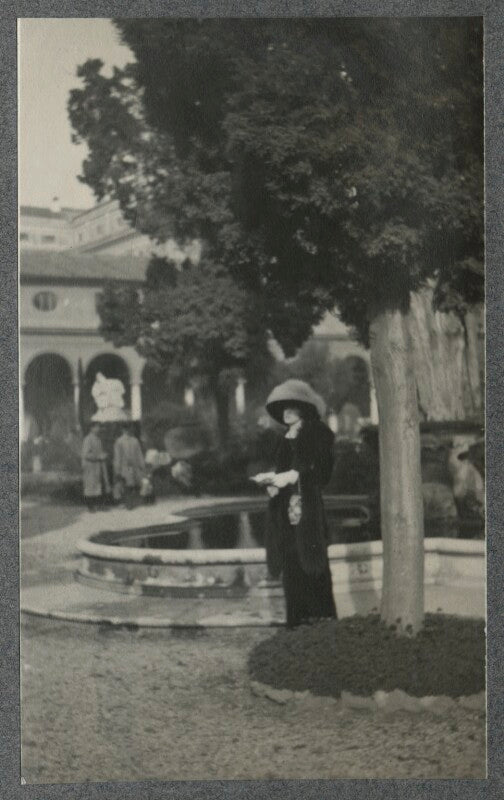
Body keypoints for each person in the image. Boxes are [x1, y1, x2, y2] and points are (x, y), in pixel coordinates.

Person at [258, 379, 337, 629]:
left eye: (292, 407)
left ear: (303, 408)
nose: (286, 412)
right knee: (291, 563)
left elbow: (322, 473)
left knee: (312, 564)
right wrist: (273, 484)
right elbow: (282, 472)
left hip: (308, 509)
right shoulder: (284, 439)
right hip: (286, 512)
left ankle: (320, 623)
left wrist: (295, 476)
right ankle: (296, 624)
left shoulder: (318, 433)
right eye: (283, 408)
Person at [113, 423, 145, 510]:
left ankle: (132, 501)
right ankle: (127, 503)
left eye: (128, 429)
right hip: (124, 466)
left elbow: (139, 454)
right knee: (126, 484)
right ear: (122, 430)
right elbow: (118, 456)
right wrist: (117, 468)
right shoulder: (119, 441)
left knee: (134, 484)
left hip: (134, 466)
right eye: (125, 429)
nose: (127, 431)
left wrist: (141, 465)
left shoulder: (135, 440)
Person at [81, 422, 110, 512]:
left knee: (97, 485)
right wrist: (98, 456)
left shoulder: (98, 439)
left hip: (97, 466)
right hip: (90, 466)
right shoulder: (88, 439)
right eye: (96, 427)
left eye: (99, 427)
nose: (98, 429)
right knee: (90, 485)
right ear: (91, 428)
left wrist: (103, 455)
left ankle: (98, 505)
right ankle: (90, 506)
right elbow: (86, 454)